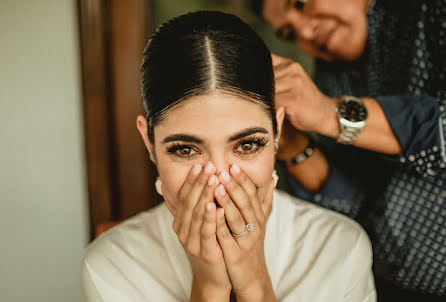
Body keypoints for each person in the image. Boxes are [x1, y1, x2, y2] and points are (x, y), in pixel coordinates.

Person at [82, 11, 376, 302]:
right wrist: (209, 288)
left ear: (276, 132)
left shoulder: (337, 248)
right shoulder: (112, 264)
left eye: (247, 145)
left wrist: (255, 284)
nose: (218, 183)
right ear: (149, 141)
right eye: (185, 150)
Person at [251, 0, 446, 300]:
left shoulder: (431, 13)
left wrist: (330, 114)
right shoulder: (330, 78)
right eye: (289, 33)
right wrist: (290, 144)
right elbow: (358, 205)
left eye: (300, 3)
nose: (305, 32)